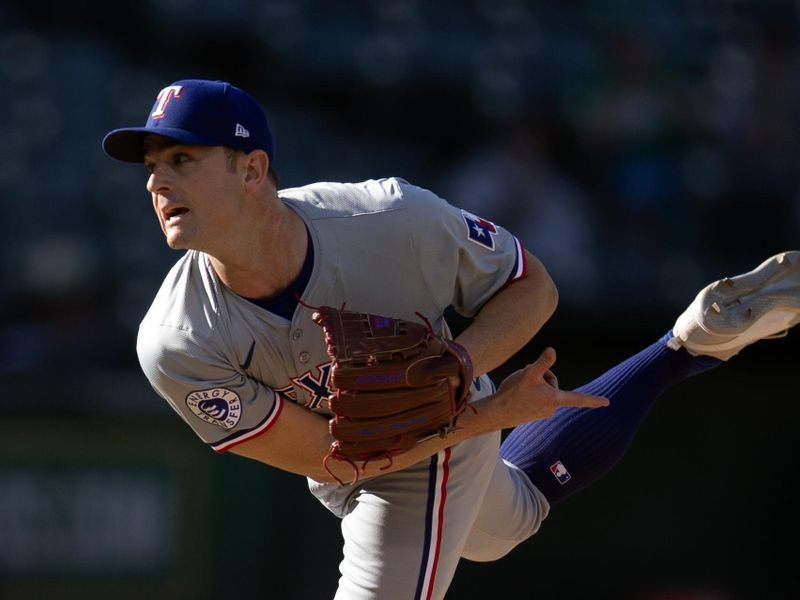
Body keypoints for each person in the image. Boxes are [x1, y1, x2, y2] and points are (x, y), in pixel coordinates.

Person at [102, 79, 800, 600]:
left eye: (182, 160)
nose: (157, 182)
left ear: (252, 169)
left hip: (439, 428)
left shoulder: (386, 217)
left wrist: (464, 370)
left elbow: (533, 287)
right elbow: (332, 459)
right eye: (151, 167)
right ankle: (686, 346)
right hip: (364, 460)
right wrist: (487, 417)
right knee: (509, 522)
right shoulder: (177, 341)